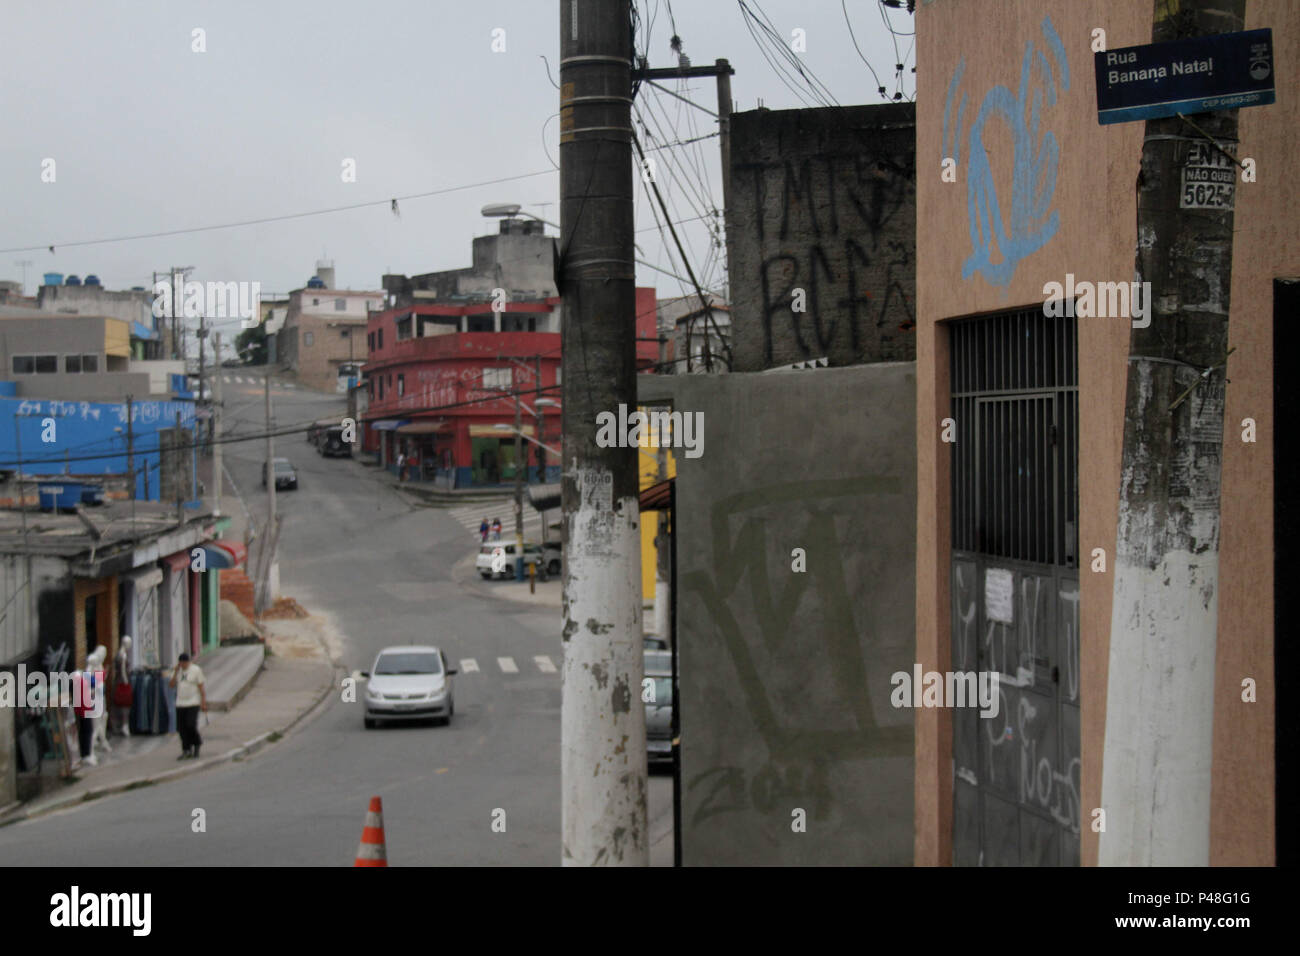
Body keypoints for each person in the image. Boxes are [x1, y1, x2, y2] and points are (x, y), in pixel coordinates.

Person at [169, 652, 207, 760]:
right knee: (181, 728)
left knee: (190, 725)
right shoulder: (178, 671)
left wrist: (203, 702)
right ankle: (186, 749)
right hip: (180, 703)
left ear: (189, 662)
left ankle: (197, 743)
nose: (183, 665)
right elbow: (171, 685)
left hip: (193, 702)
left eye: (185, 663)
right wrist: (176, 672)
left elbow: (201, 687)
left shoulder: (196, 670)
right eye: (181, 663)